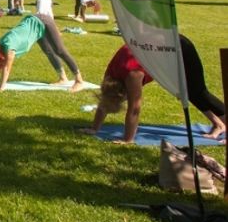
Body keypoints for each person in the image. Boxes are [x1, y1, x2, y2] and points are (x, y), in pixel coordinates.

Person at [78, 36, 226, 143]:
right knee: (189, 92)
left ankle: (222, 124)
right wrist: (94, 128)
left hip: (178, 48)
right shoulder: (110, 78)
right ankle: (218, 124)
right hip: (160, 52)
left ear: (123, 93)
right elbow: (105, 101)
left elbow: (134, 109)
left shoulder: (132, 75)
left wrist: (127, 139)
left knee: (198, 92)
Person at [0, 15, 49, 91]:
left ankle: (63, 78)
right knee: (51, 50)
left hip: (42, 23)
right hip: (31, 22)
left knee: (57, 50)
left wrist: (0, 89)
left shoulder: (10, 51)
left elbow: (6, 69)